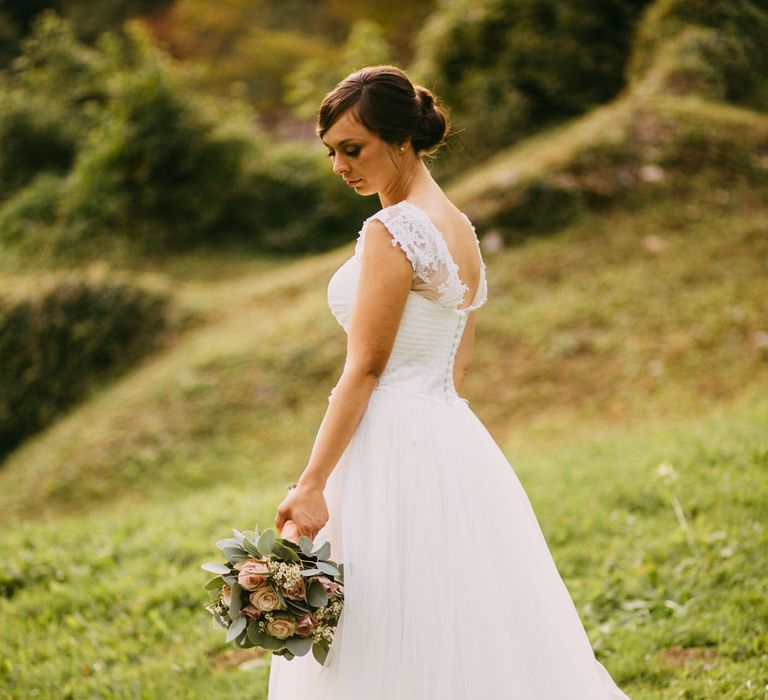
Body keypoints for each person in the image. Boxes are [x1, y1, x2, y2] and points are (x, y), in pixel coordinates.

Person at [268, 65, 631, 699]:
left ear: (399, 140)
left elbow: (366, 367)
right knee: (456, 614)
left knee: (381, 623)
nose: (339, 167)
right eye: (331, 152)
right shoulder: (459, 229)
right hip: (450, 439)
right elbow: (456, 365)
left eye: (352, 149)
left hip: (387, 441)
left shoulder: (393, 231)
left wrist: (312, 485)